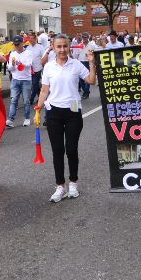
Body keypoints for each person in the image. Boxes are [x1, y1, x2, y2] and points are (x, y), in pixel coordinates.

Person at [35, 34, 96, 202]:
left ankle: (73, 183)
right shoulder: (48, 67)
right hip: (53, 112)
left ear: (69, 47)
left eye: (65, 46)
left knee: (71, 149)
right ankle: (60, 186)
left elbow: (91, 80)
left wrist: (91, 62)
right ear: (53, 48)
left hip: (73, 113)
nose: (62, 50)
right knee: (57, 151)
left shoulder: (76, 64)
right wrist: (38, 110)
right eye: (59, 47)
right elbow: (44, 91)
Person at [6, 36, 33, 128]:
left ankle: (27, 118)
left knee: (26, 100)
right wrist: (13, 65)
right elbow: (9, 68)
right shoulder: (12, 54)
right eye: (15, 44)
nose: (16, 46)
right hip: (15, 79)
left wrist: (21, 63)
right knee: (13, 100)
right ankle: (10, 119)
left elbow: (29, 64)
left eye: (18, 44)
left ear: (22, 43)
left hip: (26, 79)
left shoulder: (28, 52)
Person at [76, 32, 97, 100]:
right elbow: (78, 55)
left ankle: (86, 92)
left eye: (85, 37)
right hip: (81, 62)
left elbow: (94, 56)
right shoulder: (80, 45)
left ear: (88, 38)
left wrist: (93, 64)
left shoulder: (91, 46)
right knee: (80, 79)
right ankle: (85, 90)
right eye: (83, 37)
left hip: (87, 62)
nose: (84, 38)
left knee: (88, 78)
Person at [27, 34, 44, 104]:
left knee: (34, 84)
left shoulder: (40, 47)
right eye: (29, 38)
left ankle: (31, 98)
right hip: (30, 69)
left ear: (35, 39)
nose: (30, 40)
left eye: (32, 38)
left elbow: (43, 57)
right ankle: (41, 97)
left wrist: (43, 67)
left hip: (37, 68)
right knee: (35, 84)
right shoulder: (28, 48)